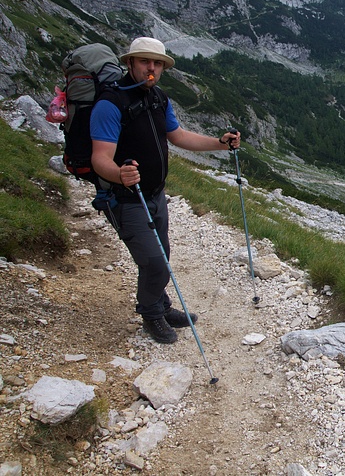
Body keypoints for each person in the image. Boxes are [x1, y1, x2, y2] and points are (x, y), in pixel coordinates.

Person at [90, 37, 241, 344]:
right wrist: (119, 174)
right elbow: (99, 158)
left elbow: (178, 135)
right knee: (154, 261)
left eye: (157, 63)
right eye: (145, 61)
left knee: (163, 254)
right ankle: (151, 314)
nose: (152, 68)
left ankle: (161, 304)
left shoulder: (158, 97)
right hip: (127, 200)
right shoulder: (109, 104)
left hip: (156, 195)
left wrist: (219, 143)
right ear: (130, 63)